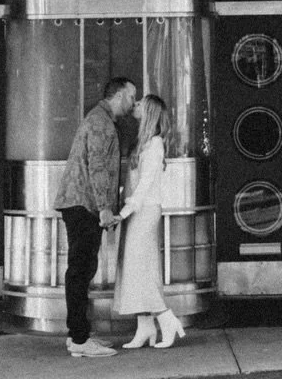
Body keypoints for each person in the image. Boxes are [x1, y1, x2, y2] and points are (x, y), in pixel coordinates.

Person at [55, 75, 137, 359]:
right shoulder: (101, 122)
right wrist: (104, 207)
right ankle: (79, 339)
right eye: (131, 97)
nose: (134, 102)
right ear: (118, 96)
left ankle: (78, 335)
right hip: (84, 205)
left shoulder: (100, 119)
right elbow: (98, 165)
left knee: (81, 269)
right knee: (80, 270)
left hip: (81, 204)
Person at [112, 93, 187, 350]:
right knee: (135, 269)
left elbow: (144, 186)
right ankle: (145, 327)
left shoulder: (154, 145)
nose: (135, 105)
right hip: (138, 212)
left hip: (143, 212)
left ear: (149, 113)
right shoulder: (144, 143)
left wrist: (124, 211)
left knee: (142, 269)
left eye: (140, 104)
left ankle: (166, 318)